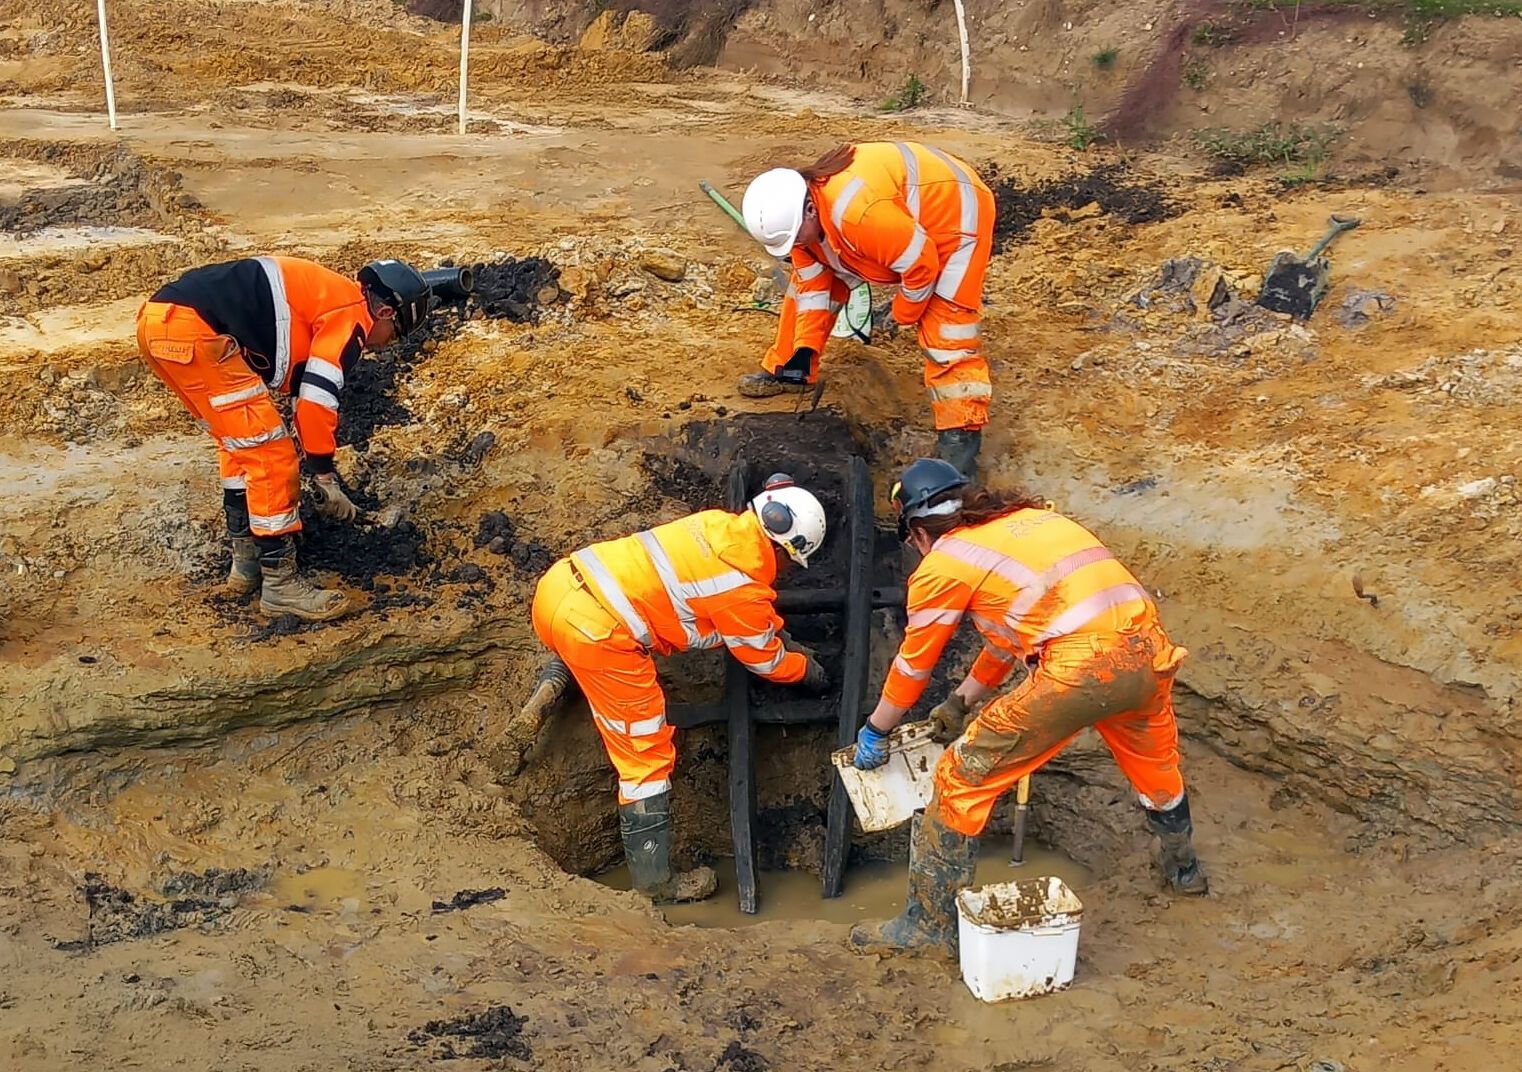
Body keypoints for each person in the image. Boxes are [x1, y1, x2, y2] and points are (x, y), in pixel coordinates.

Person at [849, 458, 1208, 959]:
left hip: (1081, 664)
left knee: (960, 777)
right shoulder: (1032, 523)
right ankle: (1184, 870)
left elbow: (914, 665)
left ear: (917, 531)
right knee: (1156, 768)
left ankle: (929, 927)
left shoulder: (945, 562)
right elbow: (1005, 640)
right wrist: (961, 701)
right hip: (1146, 650)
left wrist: (876, 729)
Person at [529, 475, 831, 904]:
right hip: (599, 632)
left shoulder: (714, 524)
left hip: (557, 589)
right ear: (787, 551)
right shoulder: (742, 588)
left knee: (576, 639)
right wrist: (806, 671)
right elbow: (762, 658)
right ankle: (655, 884)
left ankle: (551, 687)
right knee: (645, 756)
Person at [136, 256, 431, 621]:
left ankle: (247, 566)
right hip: (194, 331)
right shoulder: (352, 314)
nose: (382, 348)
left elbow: (300, 387)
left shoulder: (326, 293)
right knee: (271, 454)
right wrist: (324, 474)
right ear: (385, 312)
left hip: (159, 323)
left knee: (238, 446)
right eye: (394, 336)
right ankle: (280, 586)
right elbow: (317, 399)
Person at [737, 143, 996, 479]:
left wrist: (902, 313)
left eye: (793, 239)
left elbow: (921, 266)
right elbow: (815, 291)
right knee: (801, 292)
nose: (793, 248)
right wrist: (803, 352)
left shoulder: (858, 213)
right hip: (897, 228)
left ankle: (959, 446)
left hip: (955, 212)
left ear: (810, 211)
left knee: (947, 332)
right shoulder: (802, 228)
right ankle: (788, 371)